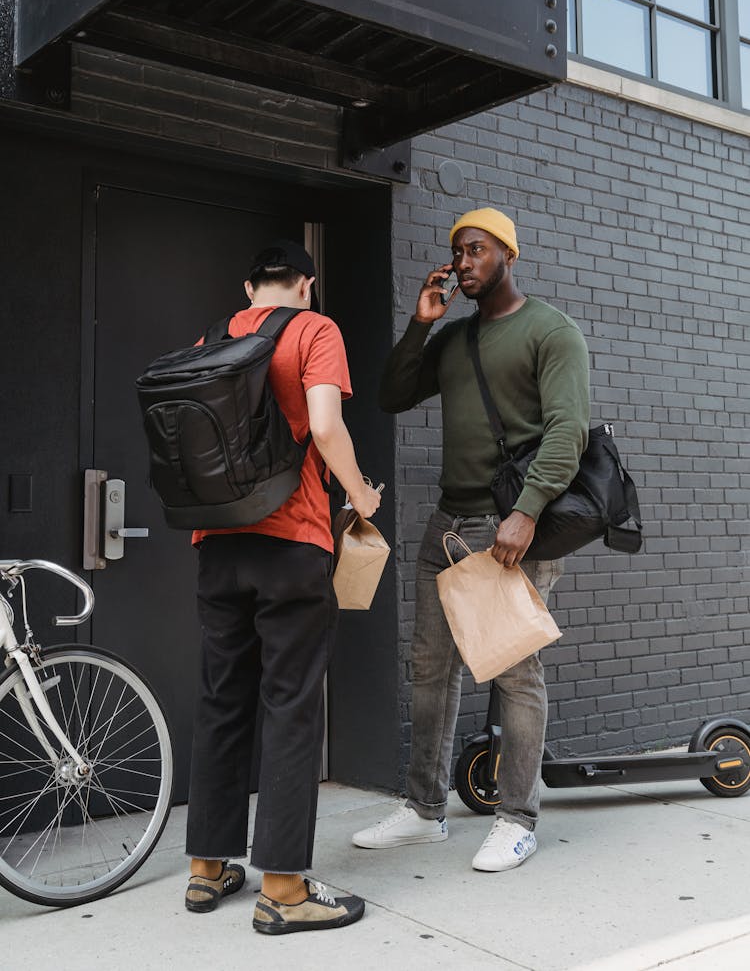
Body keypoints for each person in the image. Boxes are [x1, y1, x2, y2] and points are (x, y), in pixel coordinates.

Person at [352, 208, 589, 872]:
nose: (463, 262)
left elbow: (569, 432)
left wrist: (528, 510)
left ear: (508, 254)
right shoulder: (453, 339)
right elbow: (392, 392)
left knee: (515, 672)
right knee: (430, 670)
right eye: (457, 252)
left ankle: (516, 817)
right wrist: (422, 321)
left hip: (509, 527)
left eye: (477, 249)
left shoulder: (551, 331)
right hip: (447, 525)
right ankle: (425, 812)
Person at [184, 238, 381, 932]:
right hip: (291, 540)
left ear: (248, 287)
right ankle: (285, 890)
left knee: (221, 699)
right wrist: (359, 493)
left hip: (216, 545)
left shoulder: (213, 335)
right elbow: (324, 424)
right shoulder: (315, 329)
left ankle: (207, 871)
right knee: (291, 706)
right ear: (307, 283)